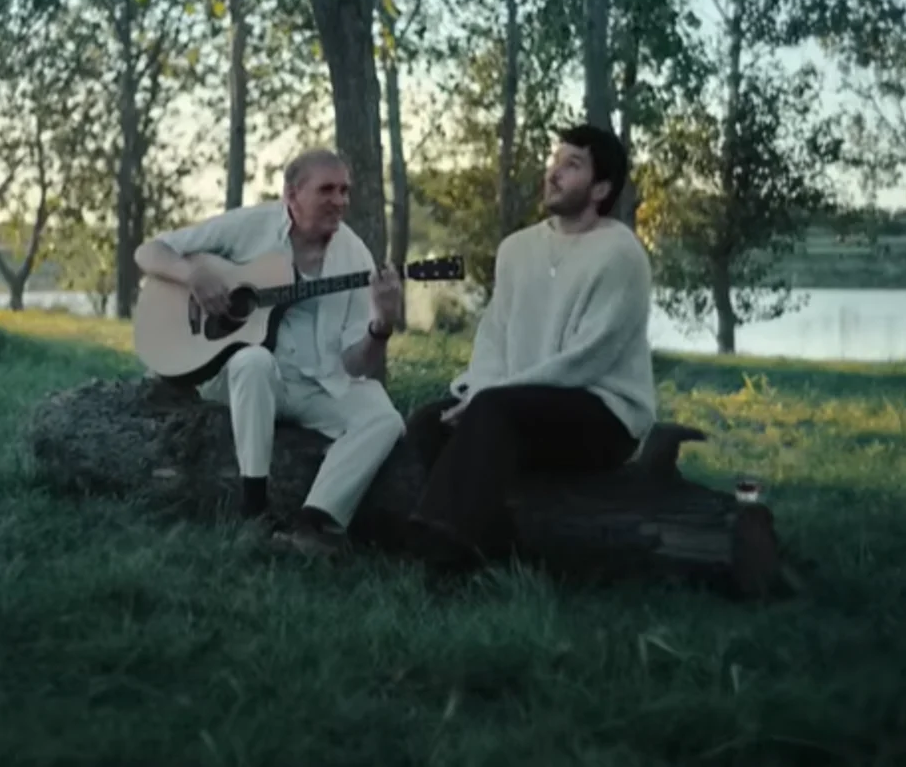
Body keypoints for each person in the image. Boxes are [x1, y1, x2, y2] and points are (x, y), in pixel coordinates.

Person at [404, 123, 659, 574]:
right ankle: (498, 546)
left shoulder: (620, 255)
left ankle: (442, 557)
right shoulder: (516, 249)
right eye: (554, 162)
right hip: (517, 407)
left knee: (492, 413)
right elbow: (493, 337)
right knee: (429, 422)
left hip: (602, 416)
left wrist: (492, 398)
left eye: (572, 165)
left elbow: (586, 360)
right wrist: (479, 390)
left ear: (601, 188)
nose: (553, 173)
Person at [133, 148, 406, 557]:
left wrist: (380, 327)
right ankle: (254, 509)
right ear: (291, 195)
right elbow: (150, 252)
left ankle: (315, 523)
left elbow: (355, 365)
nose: (340, 201)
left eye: (345, 191)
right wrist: (195, 276)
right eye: (326, 190)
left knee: (384, 417)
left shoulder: (356, 258)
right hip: (246, 379)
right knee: (254, 361)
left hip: (317, 382)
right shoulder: (252, 226)